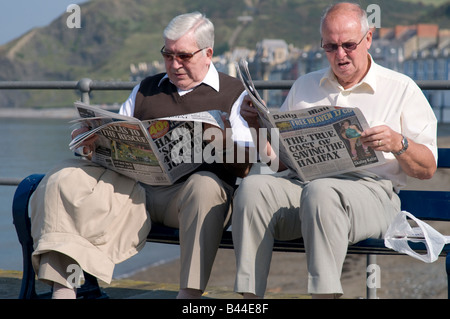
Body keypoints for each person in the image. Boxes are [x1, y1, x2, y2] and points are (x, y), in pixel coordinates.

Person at [30, 12, 253, 299]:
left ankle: (189, 296)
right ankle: (64, 289)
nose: (174, 65)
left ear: (208, 53)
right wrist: (90, 143)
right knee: (64, 177)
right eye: (167, 55)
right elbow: (117, 131)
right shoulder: (146, 89)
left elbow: (246, 164)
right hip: (135, 190)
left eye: (183, 56)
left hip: (188, 198)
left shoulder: (234, 93)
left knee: (205, 187)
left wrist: (220, 140)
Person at [233, 2, 437, 299]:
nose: (340, 55)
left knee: (322, 193)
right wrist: (257, 127)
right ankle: (248, 300)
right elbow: (278, 163)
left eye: (348, 45)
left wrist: (399, 144)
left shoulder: (401, 88)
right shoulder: (305, 85)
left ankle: (324, 295)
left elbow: (428, 168)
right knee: (253, 188)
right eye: (330, 47)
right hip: (306, 186)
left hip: (372, 193)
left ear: (368, 39)